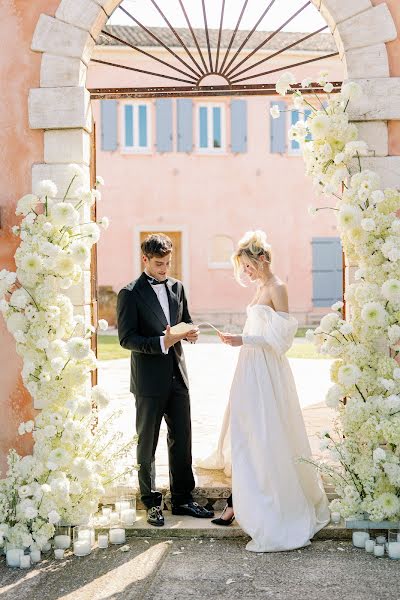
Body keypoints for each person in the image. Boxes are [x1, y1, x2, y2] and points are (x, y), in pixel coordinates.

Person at [202, 230, 330, 551]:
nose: (245, 273)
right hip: (249, 366)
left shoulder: (278, 287)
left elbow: (282, 341)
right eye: (242, 267)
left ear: (262, 259)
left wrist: (242, 340)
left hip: (266, 370)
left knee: (263, 433)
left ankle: (259, 505)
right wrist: (239, 338)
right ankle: (238, 501)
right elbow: (258, 329)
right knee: (245, 432)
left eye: (247, 266)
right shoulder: (261, 287)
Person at [117, 233, 214, 526]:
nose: (164, 269)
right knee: (147, 443)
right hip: (148, 380)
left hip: (178, 375)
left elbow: (184, 320)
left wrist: (190, 332)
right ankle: (151, 502)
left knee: (182, 440)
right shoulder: (129, 293)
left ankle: (183, 499)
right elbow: (126, 339)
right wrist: (162, 341)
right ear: (144, 259)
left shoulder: (177, 287)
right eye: (159, 264)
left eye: (168, 263)